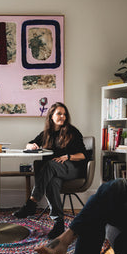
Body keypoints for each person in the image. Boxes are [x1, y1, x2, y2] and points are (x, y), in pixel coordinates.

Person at [13, 102, 87, 239]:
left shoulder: (72, 132)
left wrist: (68, 156)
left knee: (49, 165)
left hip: (74, 169)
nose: (63, 117)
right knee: (52, 182)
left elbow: (84, 155)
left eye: (64, 114)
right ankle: (58, 224)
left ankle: (32, 202)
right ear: (51, 116)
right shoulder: (46, 134)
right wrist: (32, 146)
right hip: (54, 172)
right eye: (59, 113)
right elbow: (29, 144)